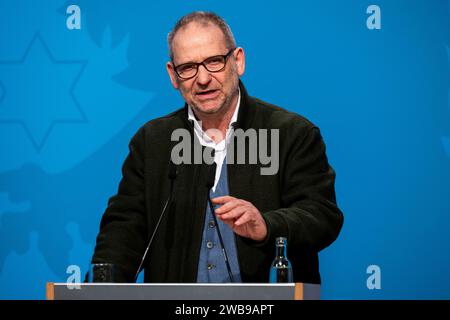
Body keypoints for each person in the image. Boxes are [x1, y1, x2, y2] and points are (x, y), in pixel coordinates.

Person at [89, 11, 343, 284]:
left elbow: (322, 215)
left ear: (238, 61)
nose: (203, 78)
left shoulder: (291, 133)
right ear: (173, 76)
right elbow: (123, 230)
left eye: (214, 61)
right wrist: (103, 287)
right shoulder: (153, 141)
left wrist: (266, 226)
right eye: (188, 67)